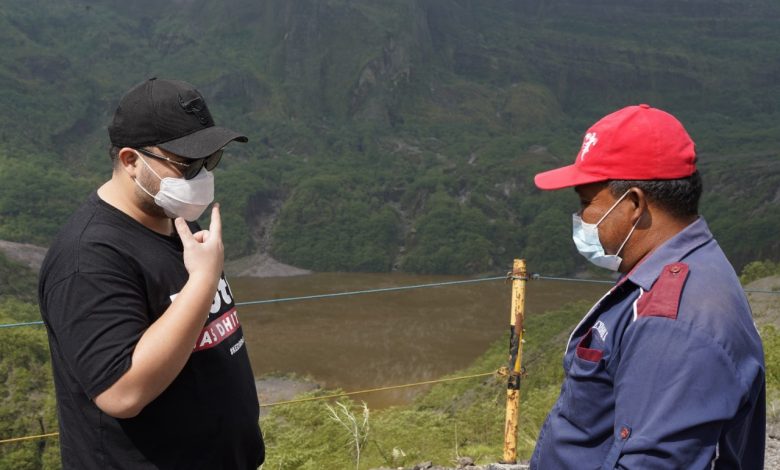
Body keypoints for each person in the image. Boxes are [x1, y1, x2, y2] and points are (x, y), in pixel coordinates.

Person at [38, 78, 264, 469]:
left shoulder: (175, 221)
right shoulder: (87, 258)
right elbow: (121, 392)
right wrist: (203, 281)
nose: (201, 175)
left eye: (210, 160)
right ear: (130, 161)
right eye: (186, 163)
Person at [529, 104, 765, 469]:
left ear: (634, 203)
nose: (580, 220)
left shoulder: (671, 322)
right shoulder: (669, 274)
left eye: (586, 203)